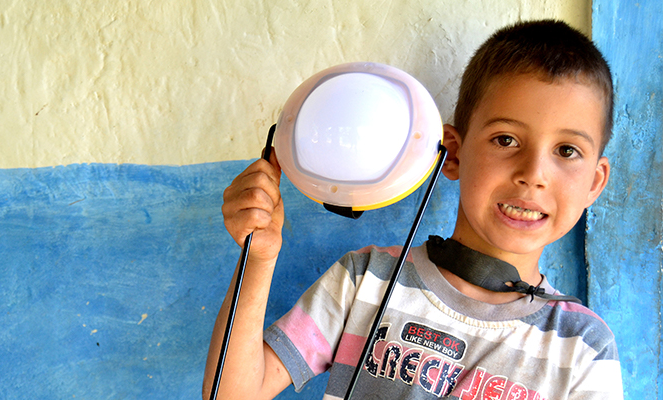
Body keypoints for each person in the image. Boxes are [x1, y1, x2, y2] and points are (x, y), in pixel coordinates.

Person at [203, 19, 623, 400]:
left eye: (567, 150)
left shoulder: (584, 348)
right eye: (505, 140)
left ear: (595, 182)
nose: (533, 174)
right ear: (452, 154)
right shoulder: (364, 280)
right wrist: (258, 258)